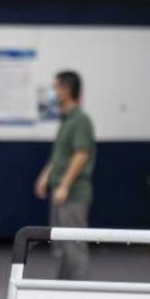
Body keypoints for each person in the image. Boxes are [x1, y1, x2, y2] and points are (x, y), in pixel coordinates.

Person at [34, 70, 96, 280]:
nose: (53, 93)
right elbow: (61, 155)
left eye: (55, 87)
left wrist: (65, 185)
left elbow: (80, 155)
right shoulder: (66, 120)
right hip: (62, 191)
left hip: (74, 194)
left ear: (67, 90)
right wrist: (46, 176)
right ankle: (62, 290)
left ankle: (77, 293)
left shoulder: (81, 120)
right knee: (62, 244)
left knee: (74, 244)